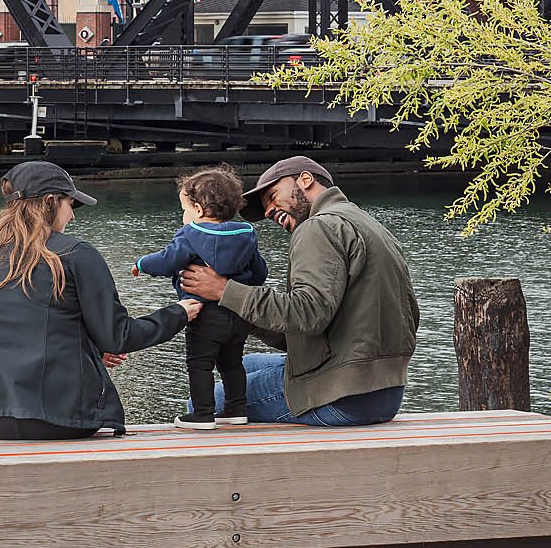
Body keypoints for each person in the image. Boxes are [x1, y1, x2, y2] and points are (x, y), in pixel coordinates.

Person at [0, 161, 189, 440]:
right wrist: (179, 313)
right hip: (55, 418)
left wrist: (89, 349)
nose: (73, 217)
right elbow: (118, 337)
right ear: (50, 201)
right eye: (70, 204)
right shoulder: (76, 254)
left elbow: (15, 330)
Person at [178, 156, 417, 427]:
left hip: (344, 398)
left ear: (305, 179)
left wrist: (225, 291)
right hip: (386, 390)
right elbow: (319, 324)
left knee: (206, 402)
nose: (269, 211)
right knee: (246, 364)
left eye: (272, 195)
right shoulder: (368, 223)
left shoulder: (317, 227)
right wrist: (241, 315)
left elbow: (308, 314)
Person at [134, 165, 267, 428]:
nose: (184, 215)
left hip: (204, 314)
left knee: (200, 364)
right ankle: (236, 410)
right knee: (232, 363)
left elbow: (167, 261)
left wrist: (141, 263)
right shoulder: (246, 235)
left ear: (198, 209)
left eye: (185, 208)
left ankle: (203, 414)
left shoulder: (190, 234)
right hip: (236, 312)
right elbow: (260, 272)